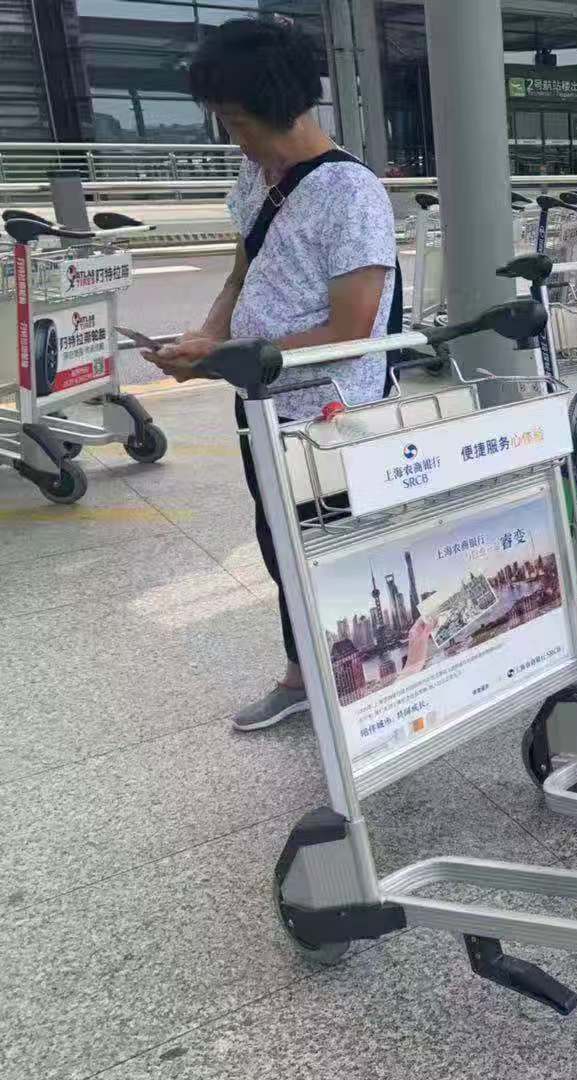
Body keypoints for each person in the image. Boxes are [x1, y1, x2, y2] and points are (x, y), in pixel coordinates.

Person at [143, 18, 397, 732]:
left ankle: (369, 688)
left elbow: (351, 332)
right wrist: (209, 339)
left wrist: (230, 358)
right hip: (262, 401)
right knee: (281, 545)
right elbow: (243, 273)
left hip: (331, 419)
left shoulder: (351, 195)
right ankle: (304, 675)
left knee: (333, 551)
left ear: (281, 110)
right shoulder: (257, 179)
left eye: (236, 122)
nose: (233, 139)